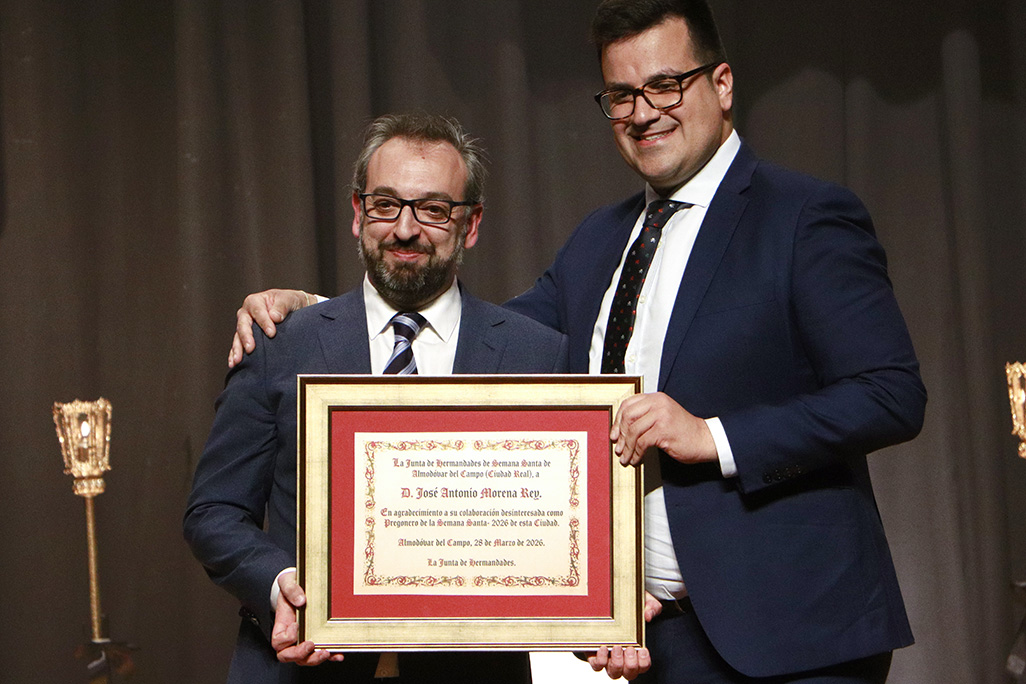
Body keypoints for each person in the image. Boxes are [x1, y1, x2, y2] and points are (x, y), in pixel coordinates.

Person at [228, 1, 926, 682]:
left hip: (794, 635)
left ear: (721, 84)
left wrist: (712, 436)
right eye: (621, 94)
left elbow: (890, 394)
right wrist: (323, 314)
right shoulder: (600, 238)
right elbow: (477, 342)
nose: (643, 110)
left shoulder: (804, 216)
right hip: (651, 640)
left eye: (665, 84)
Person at [184, 112, 568, 684]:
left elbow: (559, 530)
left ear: (473, 223)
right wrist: (277, 582)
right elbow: (213, 511)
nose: (405, 229)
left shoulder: (536, 356)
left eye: (434, 209)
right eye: (386, 204)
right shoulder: (280, 344)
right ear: (359, 213)